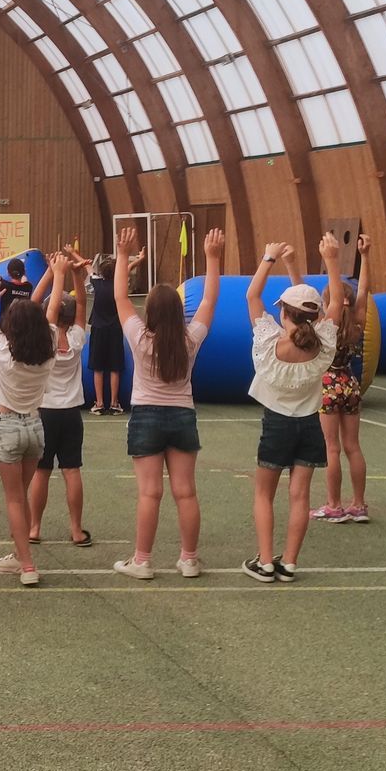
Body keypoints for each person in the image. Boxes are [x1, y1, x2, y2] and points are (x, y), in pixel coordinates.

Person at [110, 226, 222, 581]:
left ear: (151, 314)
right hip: (182, 416)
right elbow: (208, 302)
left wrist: (125, 256)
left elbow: (120, 299)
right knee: (185, 492)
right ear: (178, 312)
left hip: (146, 416)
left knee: (150, 492)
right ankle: (189, 559)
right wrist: (213, 259)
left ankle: (142, 561)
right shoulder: (189, 340)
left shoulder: (141, 339)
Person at [241, 239, 343, 582]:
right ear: (314, 317)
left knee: (263, 495)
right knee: (300, 496)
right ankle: (290, 564)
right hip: (310, 426)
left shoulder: (269, 343)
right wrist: (331, 260)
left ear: (283, 314)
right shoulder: (324, 345)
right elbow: (337, 303)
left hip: (277, 426)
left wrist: (268, 258)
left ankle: (266, 561)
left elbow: (252, 297)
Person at [0, 260, 56, 587]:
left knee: (13, 499)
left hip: (9, 425)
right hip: (35, 427)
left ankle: (26, 564)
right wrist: (56, 273)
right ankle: (19, 553)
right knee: (20, 497)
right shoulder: (48, 352)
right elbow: (44, 316)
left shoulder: (4, 354)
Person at [26, 252, 92, 548]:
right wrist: (76, 274)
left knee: (41, 471)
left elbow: (46, 311)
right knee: (72, 470)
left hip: (45, 412)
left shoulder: (44, 337)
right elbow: (81, 304)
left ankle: (35, 527)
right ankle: (76, 529)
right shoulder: (77, 339)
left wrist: (55, 273)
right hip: (70, 414)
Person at [315, 234, 372, 524]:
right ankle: (359, 504)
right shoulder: (359, 321)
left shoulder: (327, 323)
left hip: (327, 384)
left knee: (332, 447)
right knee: (353, 446)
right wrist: (366, 257)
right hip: (350, 383)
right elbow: (363, 289)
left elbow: (339, 297)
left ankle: (334, 504)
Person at [86, 245, 140, 414]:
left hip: (98, 330)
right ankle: (115, 402)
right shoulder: (119, 286)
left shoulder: (97, 282)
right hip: (115, 330)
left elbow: (87, 267)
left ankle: (100, 403)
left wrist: (74, 255)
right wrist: (139, 259)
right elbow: (128, 268)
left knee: (98, 368)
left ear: (101, 273)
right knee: (115, 367)